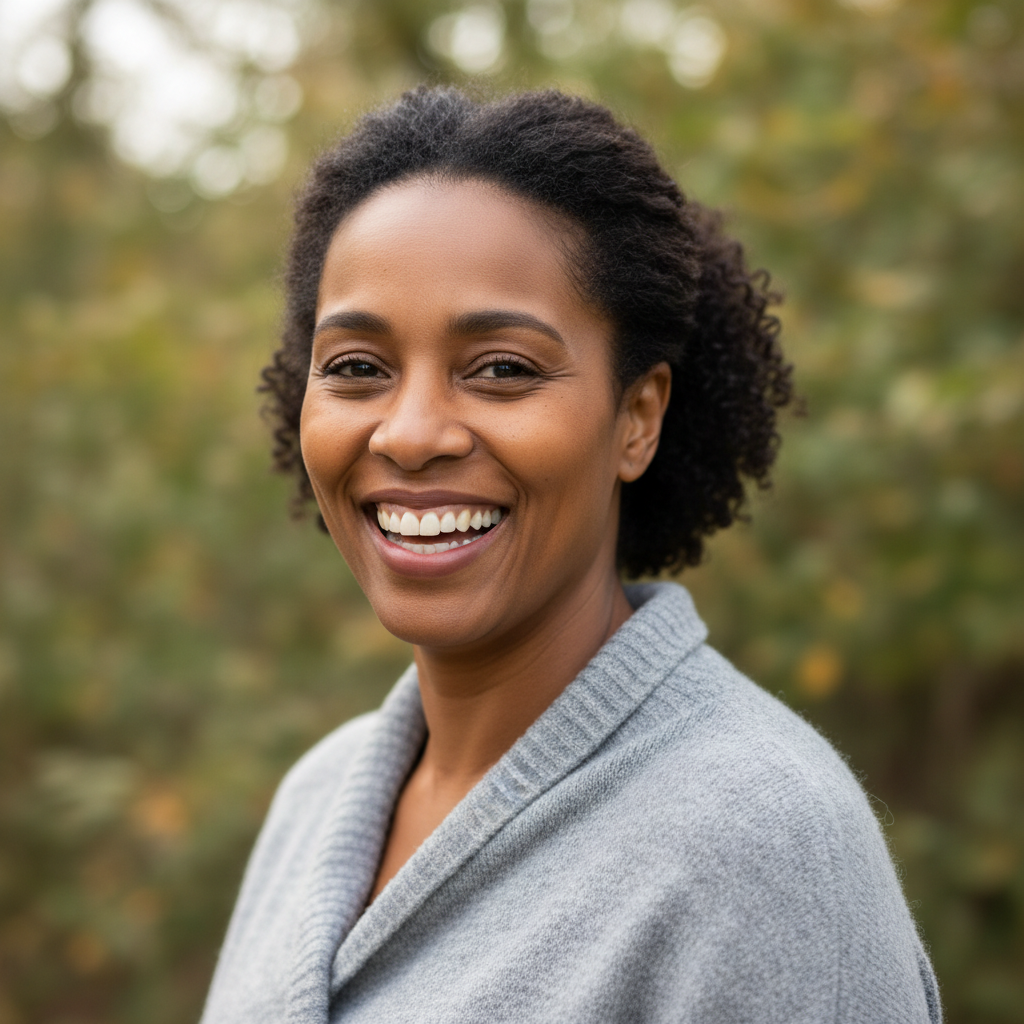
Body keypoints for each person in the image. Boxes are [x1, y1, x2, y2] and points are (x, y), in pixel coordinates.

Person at [200, 87, 941, 1024]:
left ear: (637, 419)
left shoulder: (762, 846)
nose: (413, 432)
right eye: (357, 369)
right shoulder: (315, 803)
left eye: (502, 368)